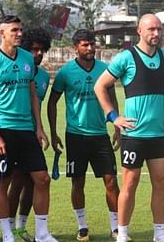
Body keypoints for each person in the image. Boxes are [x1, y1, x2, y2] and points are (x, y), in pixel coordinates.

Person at [94, 14, 164, 242]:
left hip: (160, 134)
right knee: (130, 183)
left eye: (159, 29)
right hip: (134, 135)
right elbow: (100, 86)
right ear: (139, 31)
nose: (156, 34)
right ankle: (122, 233)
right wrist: (113, 116)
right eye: (151, 29)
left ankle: (159, 234)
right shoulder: (126, 58)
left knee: (161, 183)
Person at [0, 15, 57, 242]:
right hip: (3, 129)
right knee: (3, 181)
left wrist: (39, 128)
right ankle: (7, 234)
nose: (19, 33)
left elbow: (33, 94)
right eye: (14, 30)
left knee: (42, 179)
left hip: (26, 130)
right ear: (2, 33)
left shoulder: (27, 59)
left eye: (21, 30)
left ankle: (42, 234)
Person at [47, 29, 120, 241]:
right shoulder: (65, 72)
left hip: (100, 135)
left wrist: (116, 127)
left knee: (111, 182)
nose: (90, 48)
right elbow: (52, 102)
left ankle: (115, 228)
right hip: (75, 136)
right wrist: (53, 132)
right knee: (77, 182)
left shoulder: (105, 69)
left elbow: (112, 97)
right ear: (75, 48)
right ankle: (82, 227)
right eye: (85, 45)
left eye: (92, 44)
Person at [8, 28, 52, 242]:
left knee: (34, 181)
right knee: (16, 181)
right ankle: (8, 230)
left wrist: (40, 129)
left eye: (42, 49)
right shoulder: (15, 68)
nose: (39, 54)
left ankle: (21, 227)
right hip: (14, 132)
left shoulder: (44, 76)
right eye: (34, 49)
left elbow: (39, 104)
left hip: (32, 135)